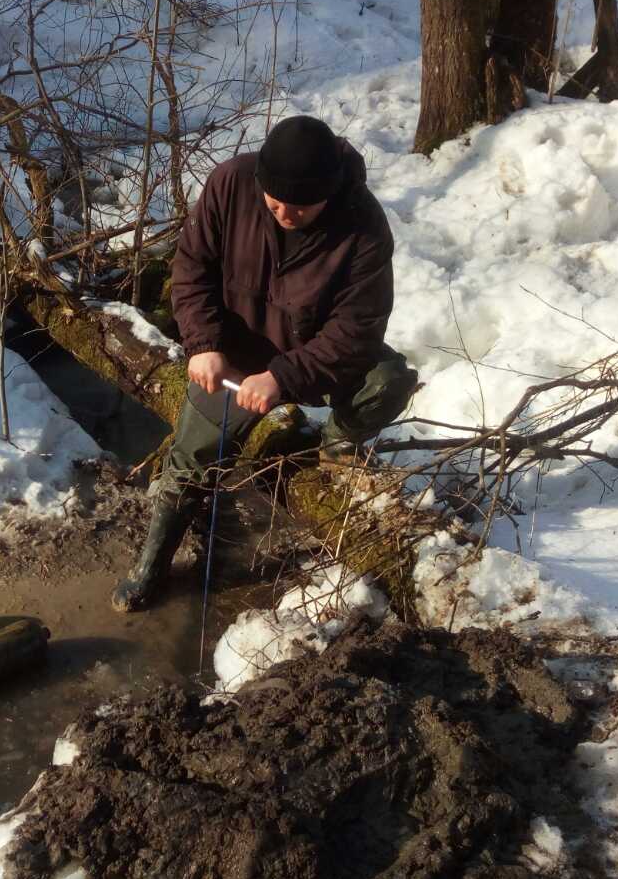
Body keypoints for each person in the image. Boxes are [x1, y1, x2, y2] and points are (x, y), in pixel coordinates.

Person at [112, 115, 417, 612]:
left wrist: (285, 376)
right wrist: (204, 344)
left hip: (317, 358)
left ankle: (334, 444)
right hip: (237, 354)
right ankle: (153, 564)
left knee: (389, 381)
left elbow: (357, 330)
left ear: (329, 193)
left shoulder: (364, 227)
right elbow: (191, 269)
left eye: (299, 207)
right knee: (190, 460)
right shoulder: (231, 182)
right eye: (275, 203)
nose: (284, 214)